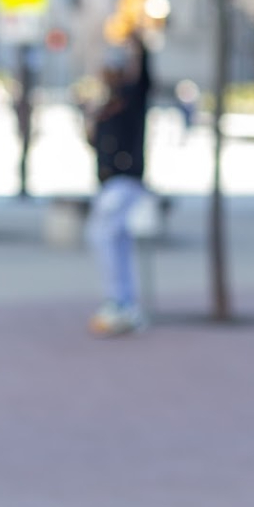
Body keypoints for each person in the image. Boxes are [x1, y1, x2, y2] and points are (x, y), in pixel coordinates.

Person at [85, 33, 153, 336]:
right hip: (110, 181)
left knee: (105, 234)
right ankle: (122, 301)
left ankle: (120, 301)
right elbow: (94, 142)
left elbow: (144, 80)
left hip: (124, 180)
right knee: (114, 240)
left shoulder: (130, 98)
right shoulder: (106, 104)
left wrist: (138, 43)